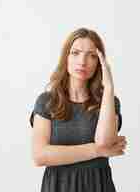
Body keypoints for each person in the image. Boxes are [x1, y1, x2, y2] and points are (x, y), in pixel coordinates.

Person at [29, 27, 128, 192]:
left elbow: (104, 142)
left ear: (99, 63)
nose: (82, 61)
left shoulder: (109, 103)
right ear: (65, 57)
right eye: (76, 53)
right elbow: (40, 156)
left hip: (98, 186)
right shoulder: (47, 101)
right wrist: (97, 150)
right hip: (58, 186)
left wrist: (109, 88)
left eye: (92, 56)